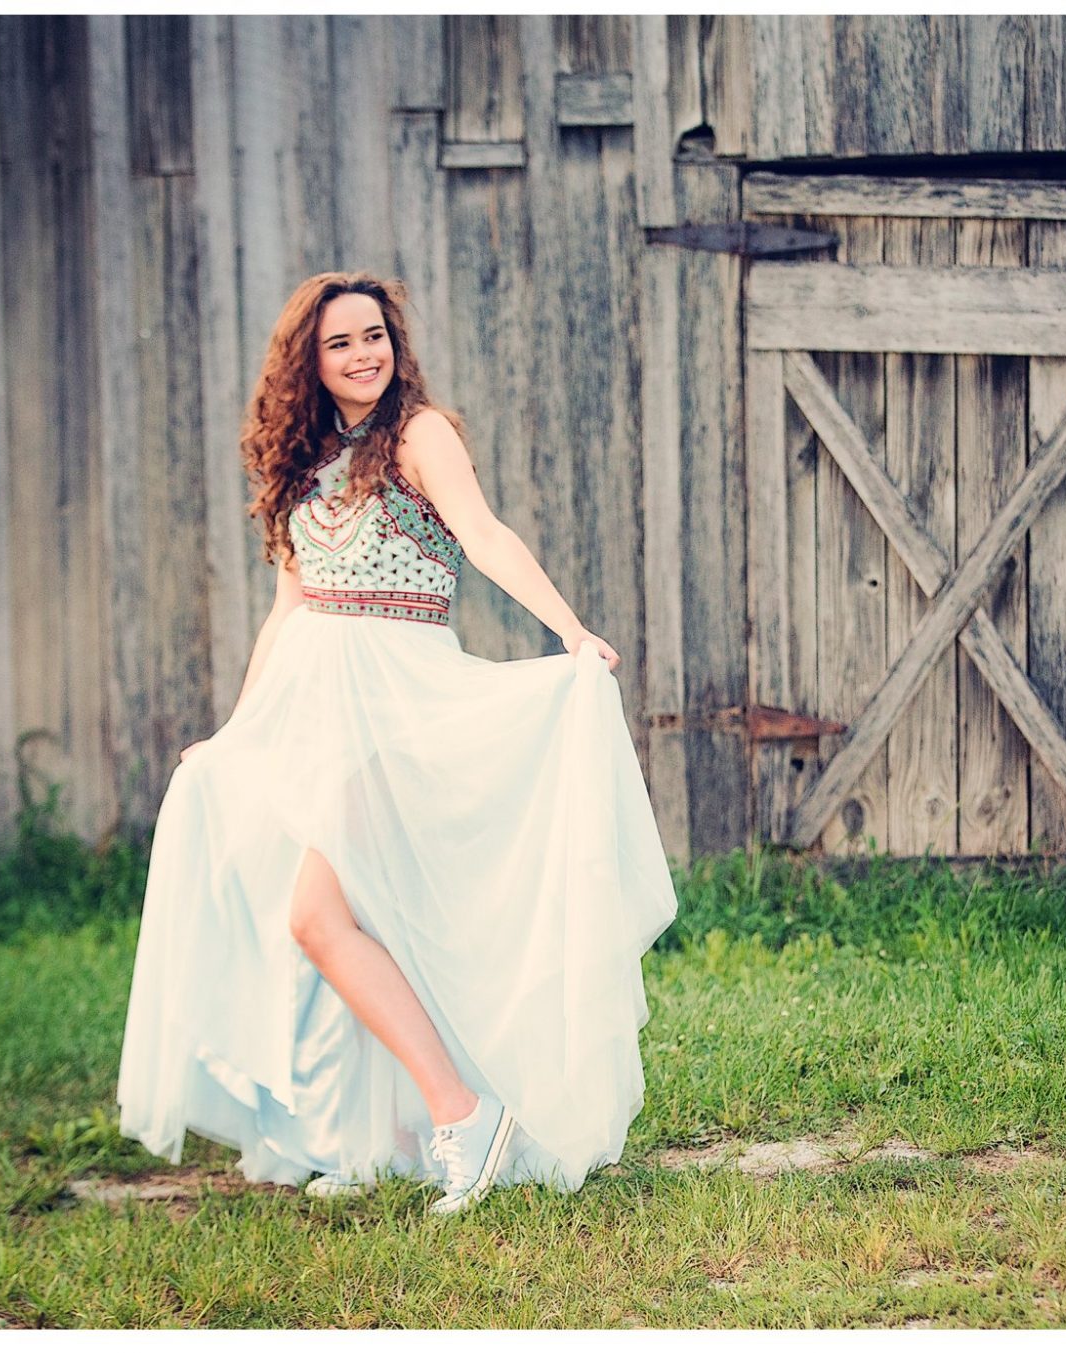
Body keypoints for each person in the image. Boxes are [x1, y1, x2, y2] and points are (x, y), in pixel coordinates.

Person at [116, 271, 678, 1215]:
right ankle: (384, 1136)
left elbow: (485, 535)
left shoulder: (419, 434)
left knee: (318, 915)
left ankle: (465, 1116)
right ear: (310, 360)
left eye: (374, 335)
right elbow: (288, 610)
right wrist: (236, 733)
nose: (363, 354)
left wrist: (570, 630)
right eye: (340, 343)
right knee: (359, 921)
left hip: (399, 704)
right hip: (316, 708)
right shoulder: (298, 458)